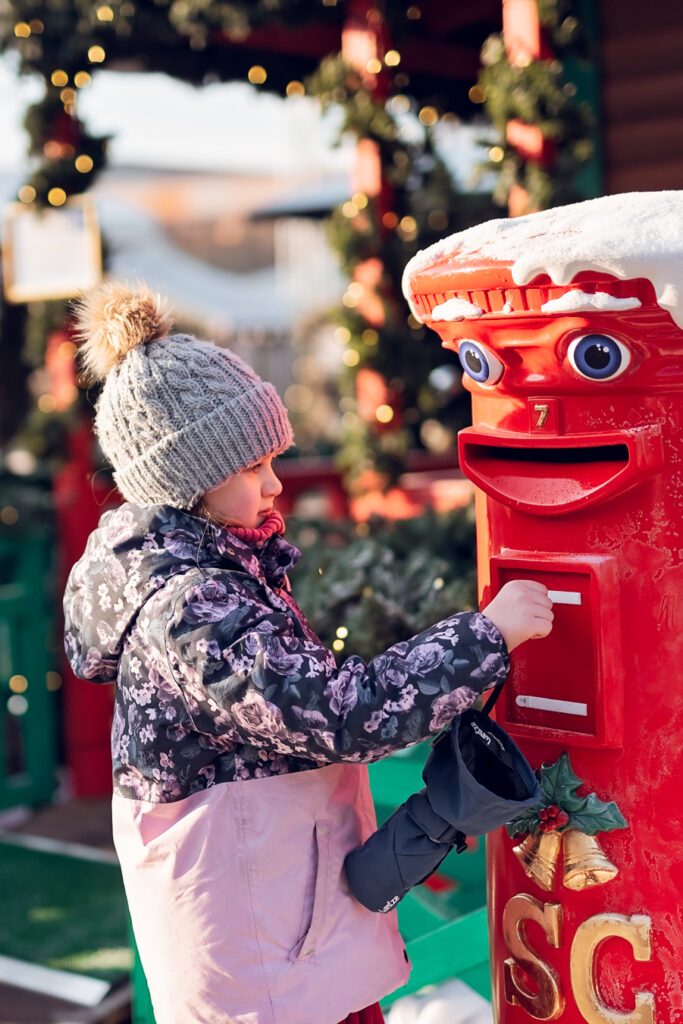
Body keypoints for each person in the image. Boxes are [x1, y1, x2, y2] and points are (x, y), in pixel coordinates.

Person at [63, 280, 554, 1024]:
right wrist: (486, 635)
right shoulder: (188, 608)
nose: (273, 485)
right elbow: (340, 712)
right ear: (187, 483)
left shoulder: (213, 573)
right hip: (261, 954)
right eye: (251, 469)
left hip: (283, 928)